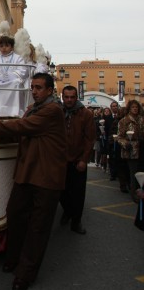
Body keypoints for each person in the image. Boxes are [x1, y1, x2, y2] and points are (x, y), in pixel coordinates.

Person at [0, 73, 67, 290]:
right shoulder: (33, 108)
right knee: (14, 214)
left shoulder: (52, 110)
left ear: (49, 91)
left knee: (38, 228)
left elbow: (23, 126)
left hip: (46, 178)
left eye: (38, 88)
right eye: (32, 87)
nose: (34, 91)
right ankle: (14, 258)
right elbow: (21, 124)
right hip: (28, 174)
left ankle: (25, 274)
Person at [59, 85, 96, 234]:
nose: (69, 100)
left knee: (78, 194)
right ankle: (68, 211)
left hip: (78, 161)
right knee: (60, 191)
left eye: (72, 97)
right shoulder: (57, 112)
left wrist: (84, 159)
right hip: (60, 162)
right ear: (62, 97)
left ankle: (76, 222)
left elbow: (89, 138)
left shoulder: (85, 114)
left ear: (76, 97)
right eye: (66, 97)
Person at [0, 34, 28, 118]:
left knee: (16, 83)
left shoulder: (18, 58)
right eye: (1, 46)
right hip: (0, 81)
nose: (4, 48)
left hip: (13, 80)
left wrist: (12, 75)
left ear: (11, 47)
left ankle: (14, 111)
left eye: (7, 45)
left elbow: (23, 70)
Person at [117, 99, 144, 202]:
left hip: (142, 148)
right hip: (132, 150)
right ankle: (134, 195)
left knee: (142, 172)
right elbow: (119, 137)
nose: (135, 109)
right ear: (129, 109)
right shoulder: (124, 121)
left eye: (136, 107)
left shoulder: (142, 119)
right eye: (133, 107)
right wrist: (126, 144)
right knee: (133, 173)